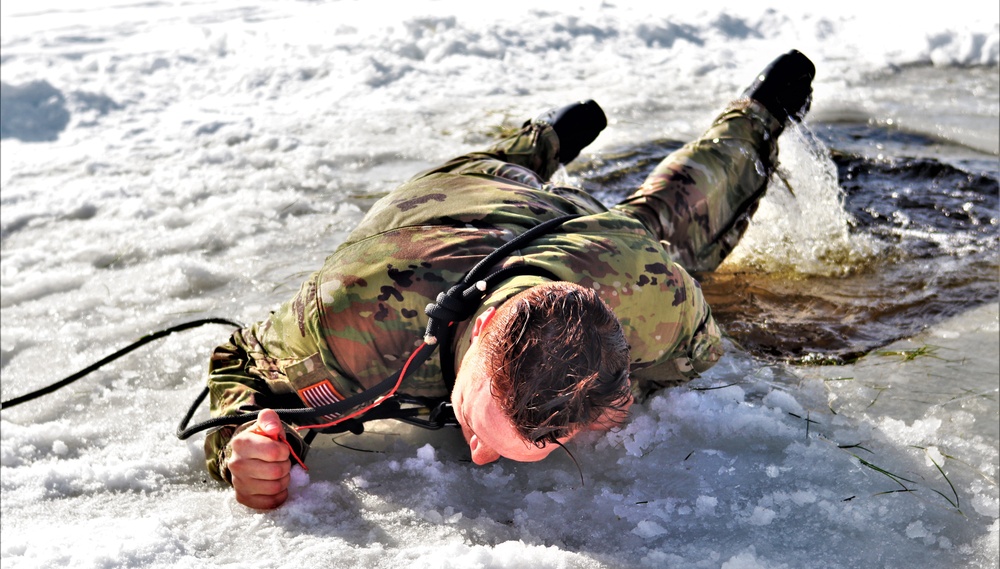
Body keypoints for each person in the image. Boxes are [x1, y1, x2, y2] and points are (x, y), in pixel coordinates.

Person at [204, 50, 816, 510]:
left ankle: (757, 114)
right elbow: (241, 360)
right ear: (485, 326)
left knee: (673, 212)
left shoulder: (638, 280)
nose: (477, 454)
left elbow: (695, 353)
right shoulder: (353, 319)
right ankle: (545, 141)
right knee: (504, 162)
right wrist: (245, 441)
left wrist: (620, 388)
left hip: (564, 228)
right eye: (481, 423)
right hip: (456, 193)